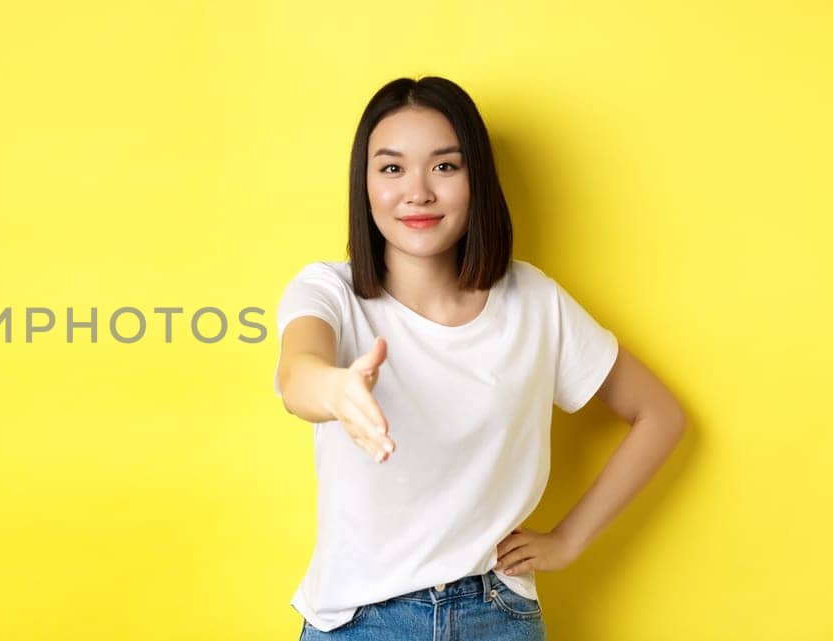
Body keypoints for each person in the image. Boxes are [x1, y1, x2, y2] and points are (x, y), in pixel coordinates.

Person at [272, 76, 686, 640]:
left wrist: (567, 541)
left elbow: (659, 416)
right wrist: (335, 390)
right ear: (364, 185)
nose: (417, 192)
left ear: (477, 181)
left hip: (498, 615)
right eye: (391, 168)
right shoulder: (330, 291)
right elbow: (298, 373)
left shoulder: (534, 303)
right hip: (360, 621)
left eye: (445, 166)